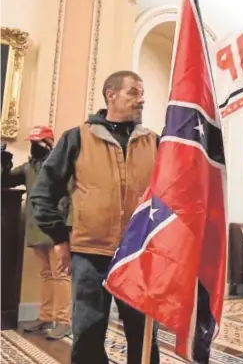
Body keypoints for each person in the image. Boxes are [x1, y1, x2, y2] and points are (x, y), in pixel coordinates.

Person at [30, 71, 160, 364]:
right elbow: (43, 194)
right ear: (111, 95)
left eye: (142, 93)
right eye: (133, 92)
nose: (141, 99)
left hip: (138, 256)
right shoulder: (77, 137)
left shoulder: (155, 142)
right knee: (88, 336)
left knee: (144, 337)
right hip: (89, 254)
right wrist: (60, 239)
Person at [1, 126, 72, 340]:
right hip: (36, 227)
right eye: (31, 142)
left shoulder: (61, 165)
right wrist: (4, 163)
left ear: (49, 143)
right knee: (47, 274)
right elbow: (6, 181)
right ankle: (46, 316)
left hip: (56, 227)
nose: (34, 146)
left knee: (60, 275)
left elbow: (71, 196)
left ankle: (63, 320)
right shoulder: (28, 167)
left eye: (38, 142)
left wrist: (67, 228)